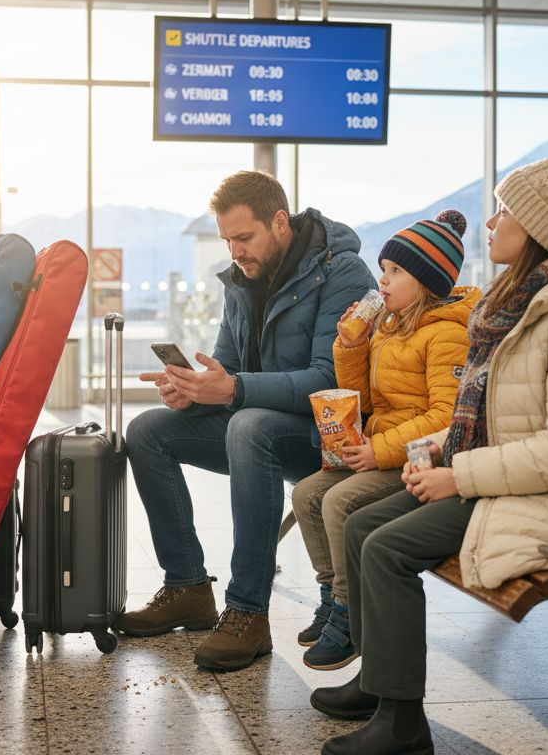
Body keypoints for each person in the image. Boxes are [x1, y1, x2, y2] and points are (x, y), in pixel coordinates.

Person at [310, 154, 548, 755]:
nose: (490, 224)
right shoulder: (516, 304)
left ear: (540, 228)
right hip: (513, 481)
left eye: (504, 211)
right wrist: (435, 452)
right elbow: (491, 416)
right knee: (362, 525)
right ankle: (380, 682)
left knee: (384, 547)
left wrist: (457, 475)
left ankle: (403, 724)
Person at [115, 170, 376, 672]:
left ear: (279, 223)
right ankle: (188, 586)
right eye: (227, 239)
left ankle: (248, 613)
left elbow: (331, 380)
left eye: (243, 237)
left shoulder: (343, 272)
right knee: (149, 430)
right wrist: (194, 391)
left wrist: (232, 389)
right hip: (255, 428)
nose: (234, 250)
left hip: (324, 436)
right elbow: (227, 369)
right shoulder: (240, 282)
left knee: (249, 423)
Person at [291, 210, 479, 672]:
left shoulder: (447, 334)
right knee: (306, 493)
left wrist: (382, 450)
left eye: (396, 271)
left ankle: (348, 611)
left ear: (427, 281)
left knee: (338, 501)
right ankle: (331, 594)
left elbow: (446, 416)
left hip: (415, 456)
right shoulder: (390, 328)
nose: (383, 279)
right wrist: (350, 347)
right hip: (383, 446)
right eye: (385, 269)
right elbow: (370, 399)